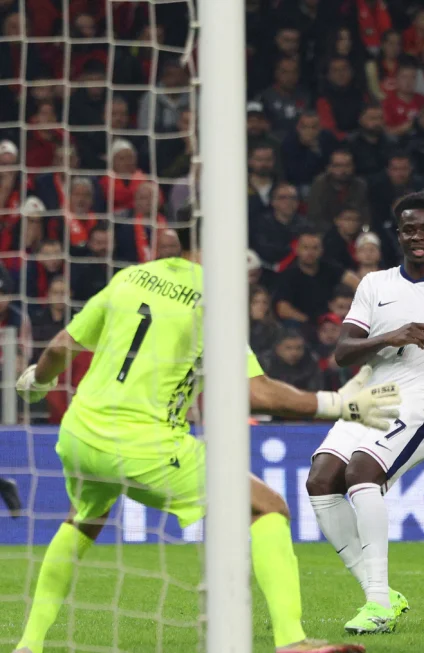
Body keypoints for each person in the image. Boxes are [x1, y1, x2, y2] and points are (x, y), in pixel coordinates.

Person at [12, 236, 399, 653]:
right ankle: (292, 641)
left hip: (80, 433)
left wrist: (38, 381)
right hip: (143, 441)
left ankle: (28, 645)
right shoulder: (213, 299)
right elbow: (256, 393)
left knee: (84, 518)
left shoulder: (129, 278)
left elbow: (61, 345)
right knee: (268, 507)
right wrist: (339, 404)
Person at [303, 191, 424, 635]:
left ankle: (378, 605)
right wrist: (389, 337)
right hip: (369, 398)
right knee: (320, 481)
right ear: (398, 235)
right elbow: (343, 352)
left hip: (418, 404)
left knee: (361, 473)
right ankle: (381, 593)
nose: (417, 237)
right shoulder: (374, 285)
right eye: (409, 230)